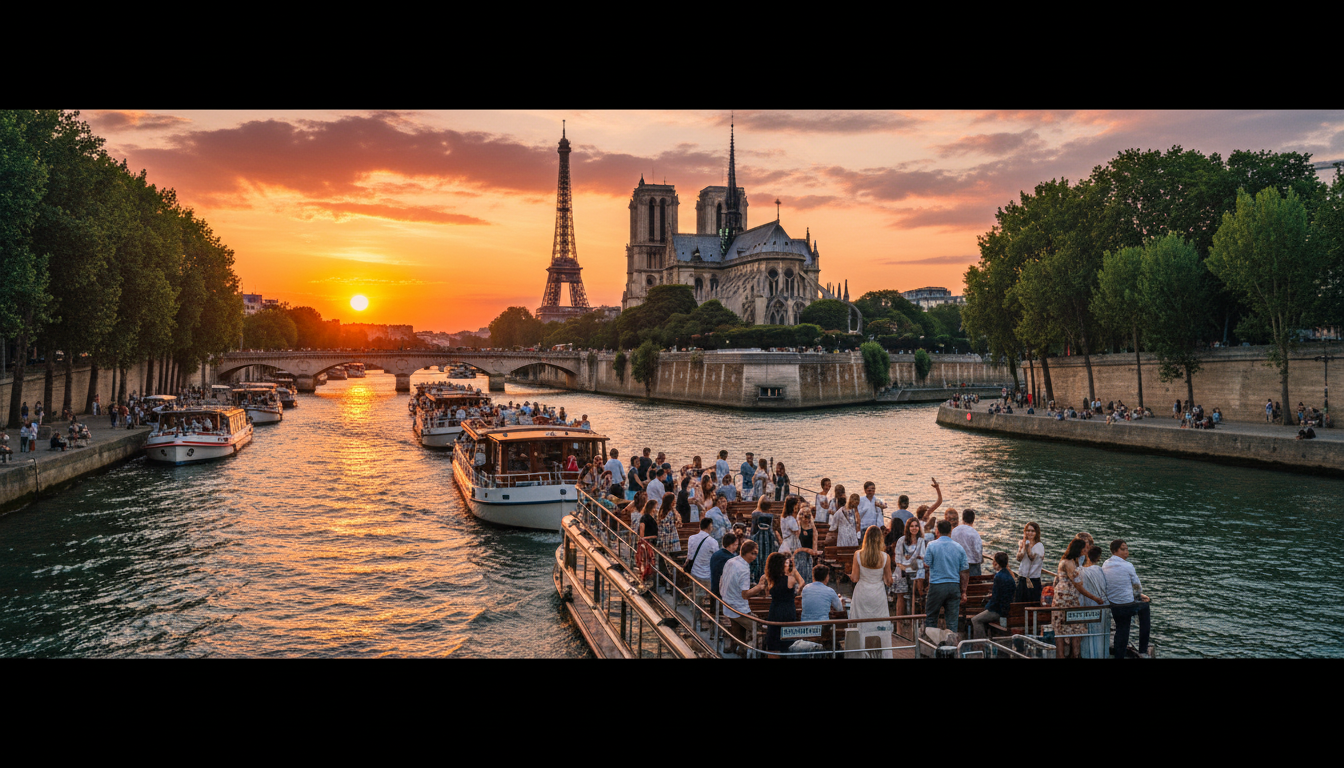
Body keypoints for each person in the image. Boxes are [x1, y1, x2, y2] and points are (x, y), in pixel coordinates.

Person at [1052, 538, 1103, 659]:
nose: (1086, 550)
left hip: (1067, 596)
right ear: (1078, 549)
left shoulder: (1072, 561)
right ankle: (1064, 655)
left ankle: (1072, 654)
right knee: (1064, 627)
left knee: (1070, 626)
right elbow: (1078, 586)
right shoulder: (1069, 563)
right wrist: (1095, 598)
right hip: (1065, 598)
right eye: (1084, 548)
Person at [849, 526, 894, 658]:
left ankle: (861, 654)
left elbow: (855, 578)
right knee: (878, 623)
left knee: (862, 624)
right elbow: (888, 580)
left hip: (862, 591)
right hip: (878, 593)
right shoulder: (885, 557)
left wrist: (850, 576)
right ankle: (881, 654)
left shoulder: (858, 554)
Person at [1103, 539, 1152, 658]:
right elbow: (1136, 586)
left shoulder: (1105, 564)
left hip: (1113, 605)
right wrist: (1139, 596)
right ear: (1115, 551)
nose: (1126, 551)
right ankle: (1143, 650)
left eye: (1127, 549)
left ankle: (1119, 655)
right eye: (1123, 549)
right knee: (1145, 608)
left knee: (1122, 628)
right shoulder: (1128, 565)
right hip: (1126, 605)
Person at [720, 540, 767, 655]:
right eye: (753, 553)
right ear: (746, 553)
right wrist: (759, 587)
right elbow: (745, 595)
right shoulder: (744, 569)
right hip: (737, 606)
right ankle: (754, 652)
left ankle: (738, 647)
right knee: (758, 627)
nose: (755, 556)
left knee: (737, 626)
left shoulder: (731, 561)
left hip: (726, 601)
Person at [924, 520, 969, 639]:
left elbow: (927, 563)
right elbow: (964, 571)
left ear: (937, 531)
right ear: (950, 531)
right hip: (954, 586)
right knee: (952, 621)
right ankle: (951, 648)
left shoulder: (931, 545)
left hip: (936, 586)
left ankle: (932, 646)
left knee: (931, 617)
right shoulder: (959, 547)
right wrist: (963, 591)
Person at [763, 552, 804, 655]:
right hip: (787, 610)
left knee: (773, 640)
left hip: (774, 610)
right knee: (787, 641)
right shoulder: (790, 579)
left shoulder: (771, 579)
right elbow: (801, 582)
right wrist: (794, 569)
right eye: (785, 563)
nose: (787, 565)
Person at [971, 552, 1016, 639]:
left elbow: (995, 600)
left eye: (994, 561)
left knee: (975, 620)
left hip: (998, 611)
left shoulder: (998, 577)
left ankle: (981, 643)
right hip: (1007, 608)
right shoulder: (1009, 575)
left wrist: (986, 607)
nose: (992, 563)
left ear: (997, 564)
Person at [893, 518, 926, 633]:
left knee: (915, 597)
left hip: (916, 571)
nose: (914, 528)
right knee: (900, 597)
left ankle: (914, 628)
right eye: (912, 526)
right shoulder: (901, 541)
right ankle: (899, 627)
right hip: (902, 571)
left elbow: (922, 557)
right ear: (908, 528)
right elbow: (898, 559)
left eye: (916, 526)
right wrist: (905, 567)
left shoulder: (921, 541)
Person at [1078, 545, 1110, 659]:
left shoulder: (1081, 571)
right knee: (1100, 634)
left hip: (1087, 605)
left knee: (1087, 633)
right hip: (1101, 606)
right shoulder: (1101, 571)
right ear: (1098, 558)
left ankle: (1087, 655)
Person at [685, 518, 719, 591]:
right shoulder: (713, 542)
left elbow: (689, 556)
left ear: (700, 527)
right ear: (710, 527)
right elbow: (717, 558)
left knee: (695, 595)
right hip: (707, 574)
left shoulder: (691, 538)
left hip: (694, 572)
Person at [750, 499, 779, 582]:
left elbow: (753, 530)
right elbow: (771, 531)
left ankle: (757, 578)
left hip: (757, 539)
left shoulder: (755, 515)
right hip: (768, 540)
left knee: (758, 559)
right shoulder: (770, 517)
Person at [1015, 522, 1044, 604]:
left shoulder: (1039, 546)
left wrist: (1027, 546)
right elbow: (1018, 558)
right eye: (1028, 530)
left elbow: (1031, 557)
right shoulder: (1023, 543)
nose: (1030, 533)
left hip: (1033, 580)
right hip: (1022, 577)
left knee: (1032, 604)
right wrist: (1022, 547)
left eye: (1032, 531)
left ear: (1036, 533)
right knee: (1019, 603)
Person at [951, 508, 984, 577]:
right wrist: (980, 559)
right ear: (973, 520)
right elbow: (977, 551)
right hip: (971, 566)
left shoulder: (954, 531)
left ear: (963, 518)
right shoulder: (974, 533)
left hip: (957, 564)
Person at [710, 532, 738, 599]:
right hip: (726, 593)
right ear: (731, 545)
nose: (737, 546)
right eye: (736, 544)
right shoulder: (731, 559)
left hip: (714, 589)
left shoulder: (715, 555)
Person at [794, 508, 818, 586]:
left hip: (809, 554)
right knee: (801, 572)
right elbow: (795, 544)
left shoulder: (812, 526)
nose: (807, 520)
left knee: (808, 573)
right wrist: (806, 550)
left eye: (808, 518)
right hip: (800, 553)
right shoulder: (798, 526)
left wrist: (815, 550)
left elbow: (815, 538)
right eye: (805, 518)